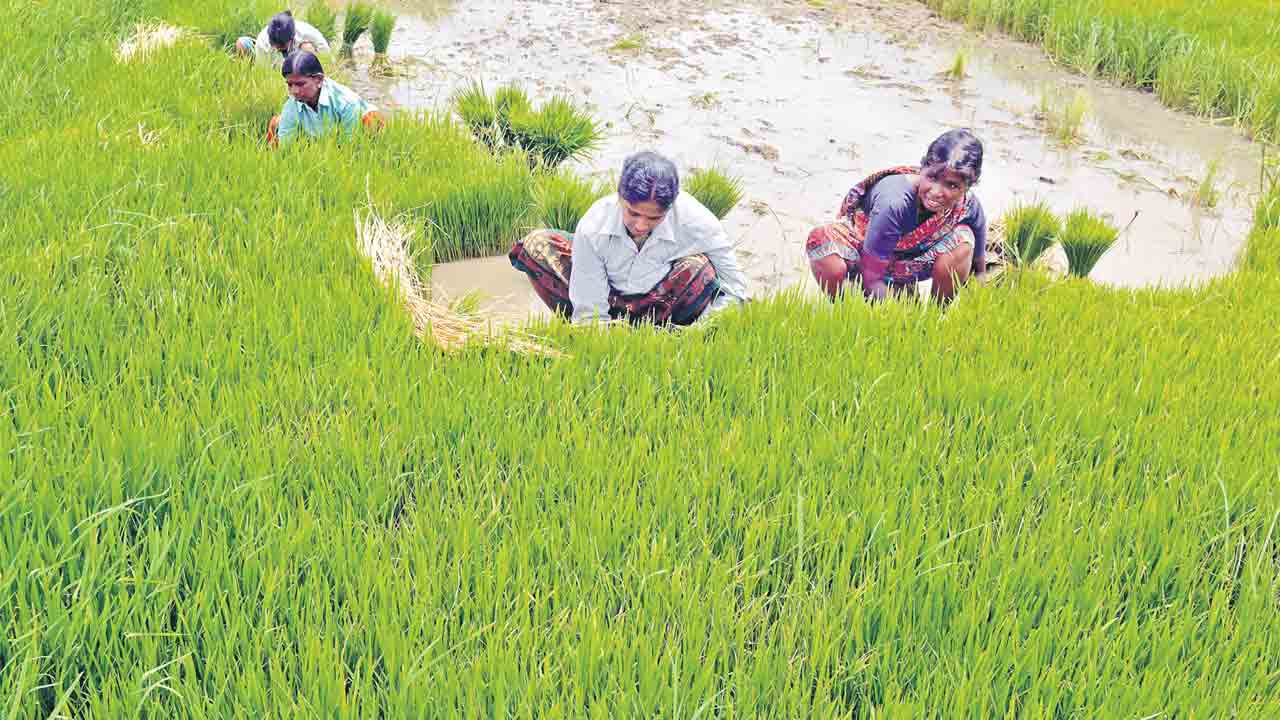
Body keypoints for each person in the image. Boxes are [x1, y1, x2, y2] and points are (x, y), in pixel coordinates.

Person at [510, 151, 748, 326]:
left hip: (663, 305)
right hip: (606, 296)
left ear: (670, 208)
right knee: (538, 245)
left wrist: (698, 332)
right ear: (620, 197)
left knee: (701, 267)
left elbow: (736, 288)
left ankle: (665, 328)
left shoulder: (697, 222)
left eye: (654, 218)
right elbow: (589, 311)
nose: (641, 225)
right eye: (633, 213)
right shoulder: (594, 225)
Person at [806, 128, 989, 304]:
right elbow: (872, 279)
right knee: (822, 243)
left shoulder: (967, 204)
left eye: (952, 186)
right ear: (923, 167)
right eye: (932, 178)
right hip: (866, 256)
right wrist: (900, 323)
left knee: (964, 241)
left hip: (907, 261)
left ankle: (937, 316)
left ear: (968, 186)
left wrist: (977, 304)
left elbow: (978, 266)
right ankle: (845, 311)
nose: (936, 192)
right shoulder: (894, 203)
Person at [268, 51, 383, 147]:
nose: (294, 91)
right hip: (323, 136)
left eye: (300, 84)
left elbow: (349, 147)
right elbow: (285, 147)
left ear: (318, 80)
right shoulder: (292, 103)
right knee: (276, 123)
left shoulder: (346, 102)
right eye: (290, 85)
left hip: (358, 129)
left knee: (371, 120)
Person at [235, 10, 330, 66]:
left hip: (299, 62)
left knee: (307, 47)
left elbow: (326, 56)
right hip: (272, 64)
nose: (277, 48)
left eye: (281, 45)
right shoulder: (263, 42)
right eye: (275, 45)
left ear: (292, 38)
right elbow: (265, 73)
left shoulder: (307, 32)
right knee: (242, 43)